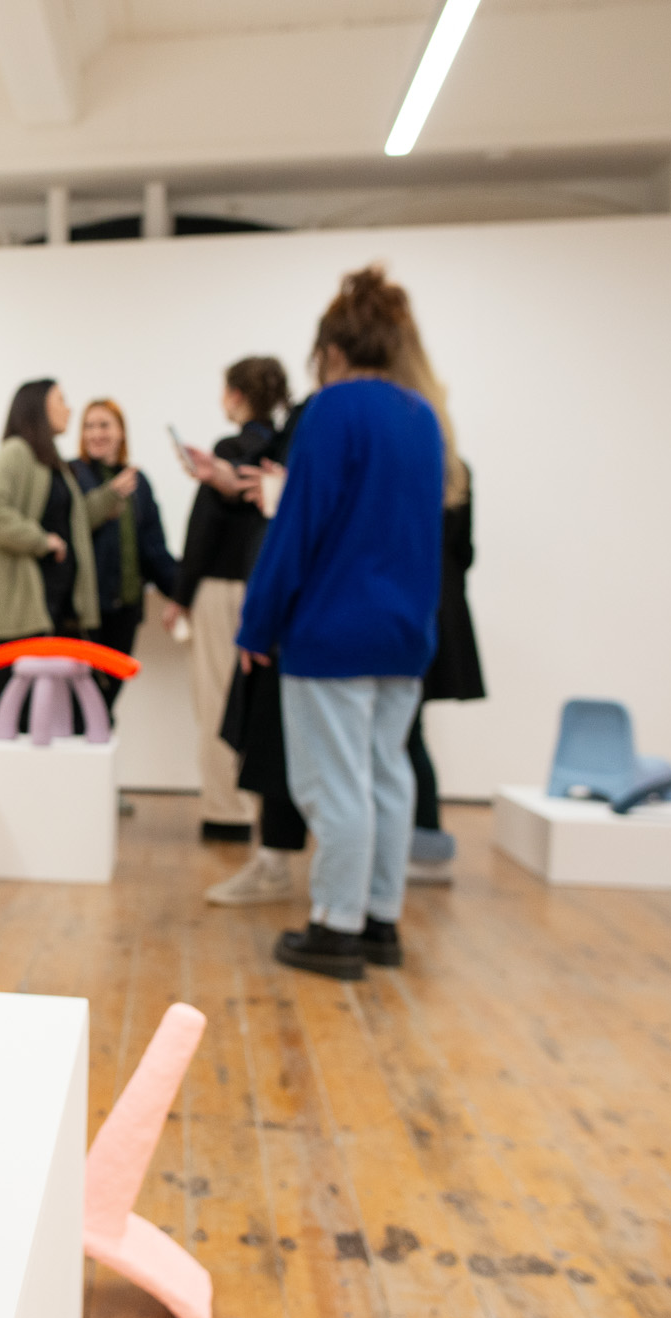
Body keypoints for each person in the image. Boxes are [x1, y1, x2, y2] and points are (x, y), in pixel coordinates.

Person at [235, 266, 443, 980]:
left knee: (336, 783)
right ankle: (381, 919)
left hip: (333, 631)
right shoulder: (422, 416)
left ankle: (334, 925)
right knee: (389, 774)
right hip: (405, 636)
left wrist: (255, 626)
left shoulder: (332, 411)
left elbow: (296, 530)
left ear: (330, 346)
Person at [166, 358, 287, 846]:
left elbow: (204, 530)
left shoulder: (228, 451)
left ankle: (226, 810)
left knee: (216, 699)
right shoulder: (284, 450)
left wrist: (181, 594)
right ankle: (262, 806)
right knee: (259, 705)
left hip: (221, 589)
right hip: (267, 589)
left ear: (237, 395)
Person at [0, 379, 138, 730]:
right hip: (23, 606)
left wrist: (108, 497)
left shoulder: (52, 463)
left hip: (54, 608)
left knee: (46, 709)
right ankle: (4, 781)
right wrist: (41, 540)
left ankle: (39, 782)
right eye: (61, 400)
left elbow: (73, 525)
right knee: (13, 703)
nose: (69, 409)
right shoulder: (16, 452)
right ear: (38, 408)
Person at [388, 336, 486, 884]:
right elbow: (466, 553)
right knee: (408, 730)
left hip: (412, 605)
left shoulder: (408, 464)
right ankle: (421, 840)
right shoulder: (458, 471)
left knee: (401, 733)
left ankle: (420, 843)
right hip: (443, 607)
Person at [68, 399, 178, 723]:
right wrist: (108, 497)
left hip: (125, 609)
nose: (96, 433)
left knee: (108, 699)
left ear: (121, 432)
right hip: (85, 610)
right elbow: (69, 526)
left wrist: (183, 593)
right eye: (89, 425)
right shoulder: (71, 474)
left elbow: (154, 548)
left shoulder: (138, 482)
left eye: (104, 425)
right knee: (83, 703)